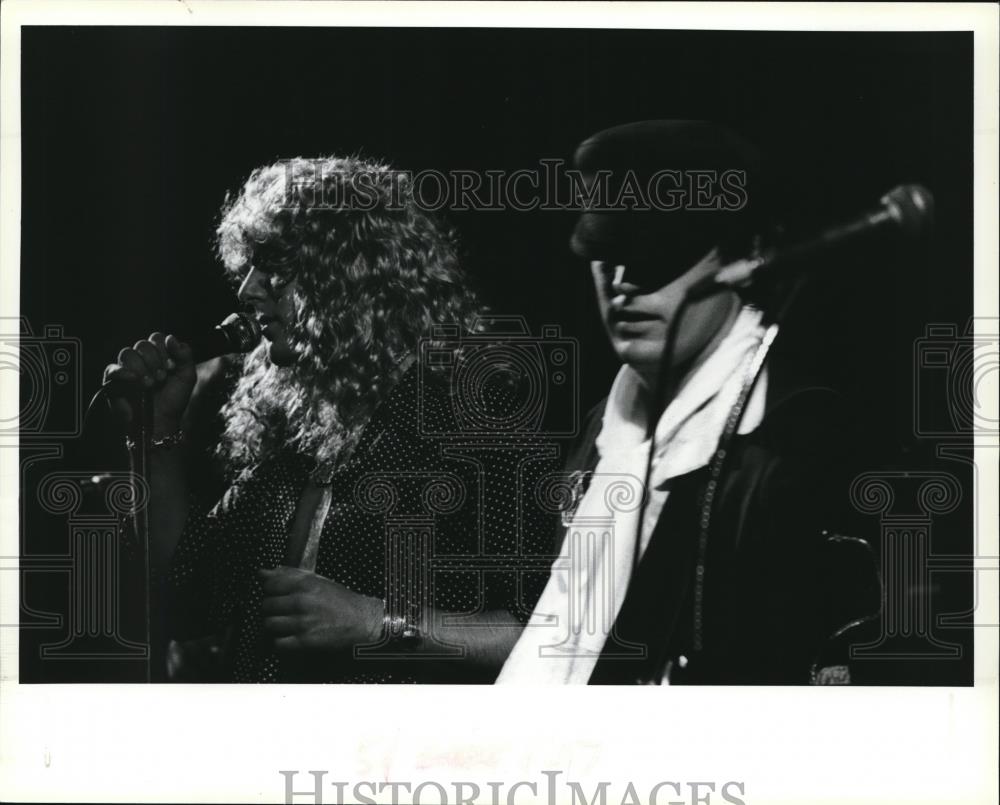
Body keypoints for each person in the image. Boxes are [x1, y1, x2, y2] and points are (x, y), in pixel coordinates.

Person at [104, 156, 549, 683]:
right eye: (248, 267)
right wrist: (156, 434)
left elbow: (546, 635)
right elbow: (183, 598)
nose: (248, 291)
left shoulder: (472, 413)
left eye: (275, 269)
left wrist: (375, 621)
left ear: (352, 272)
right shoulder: (292, 427)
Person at [497, 120, 881, 685]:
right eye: (606, 252)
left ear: (747, 255)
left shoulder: (796, 441)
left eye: (655, 254)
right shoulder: (605, 426)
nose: (624, 280)